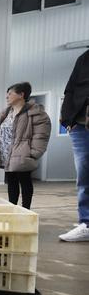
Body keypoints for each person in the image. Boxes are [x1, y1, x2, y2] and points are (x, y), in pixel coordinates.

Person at [0, 82, 51, 209]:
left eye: (10, 94)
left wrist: (32, 153)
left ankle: (25, 210)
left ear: (21, 95)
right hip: (7, 153)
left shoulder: (35, 113)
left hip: (23, 153)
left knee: (24, 180)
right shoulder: (6, 113)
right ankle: (13, 210)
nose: (7, 97)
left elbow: (41, 135)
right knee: (11, 181)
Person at [59, 49, 89, 242]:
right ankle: (86, 221)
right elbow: (70, 89)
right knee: (84, 175)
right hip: (79, 122)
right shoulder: (84, 58)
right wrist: (67, 119)